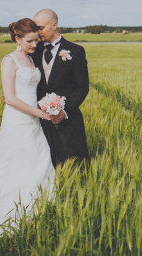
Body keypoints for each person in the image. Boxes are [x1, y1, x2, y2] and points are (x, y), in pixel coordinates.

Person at [0, 18, 55, 238]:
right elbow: (10, 98)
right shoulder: (10, 60)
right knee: (16, 160)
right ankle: (7, 207)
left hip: (33, 119)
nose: (34, 45)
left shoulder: (30, 58)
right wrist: (39, 113)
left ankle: (36, 205)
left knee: (38, 158)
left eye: (36, 40)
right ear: (17, 38)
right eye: (29, 41)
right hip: (18, 120)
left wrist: (47, 106)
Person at [32, 9, 89, 167]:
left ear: (54, 25)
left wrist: (64, 111)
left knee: (73, 166)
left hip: (67, 122)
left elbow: (82, 88)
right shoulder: (33, 51)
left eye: (40, 27)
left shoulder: (76, 51)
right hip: (38, 121)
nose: (37, 32)